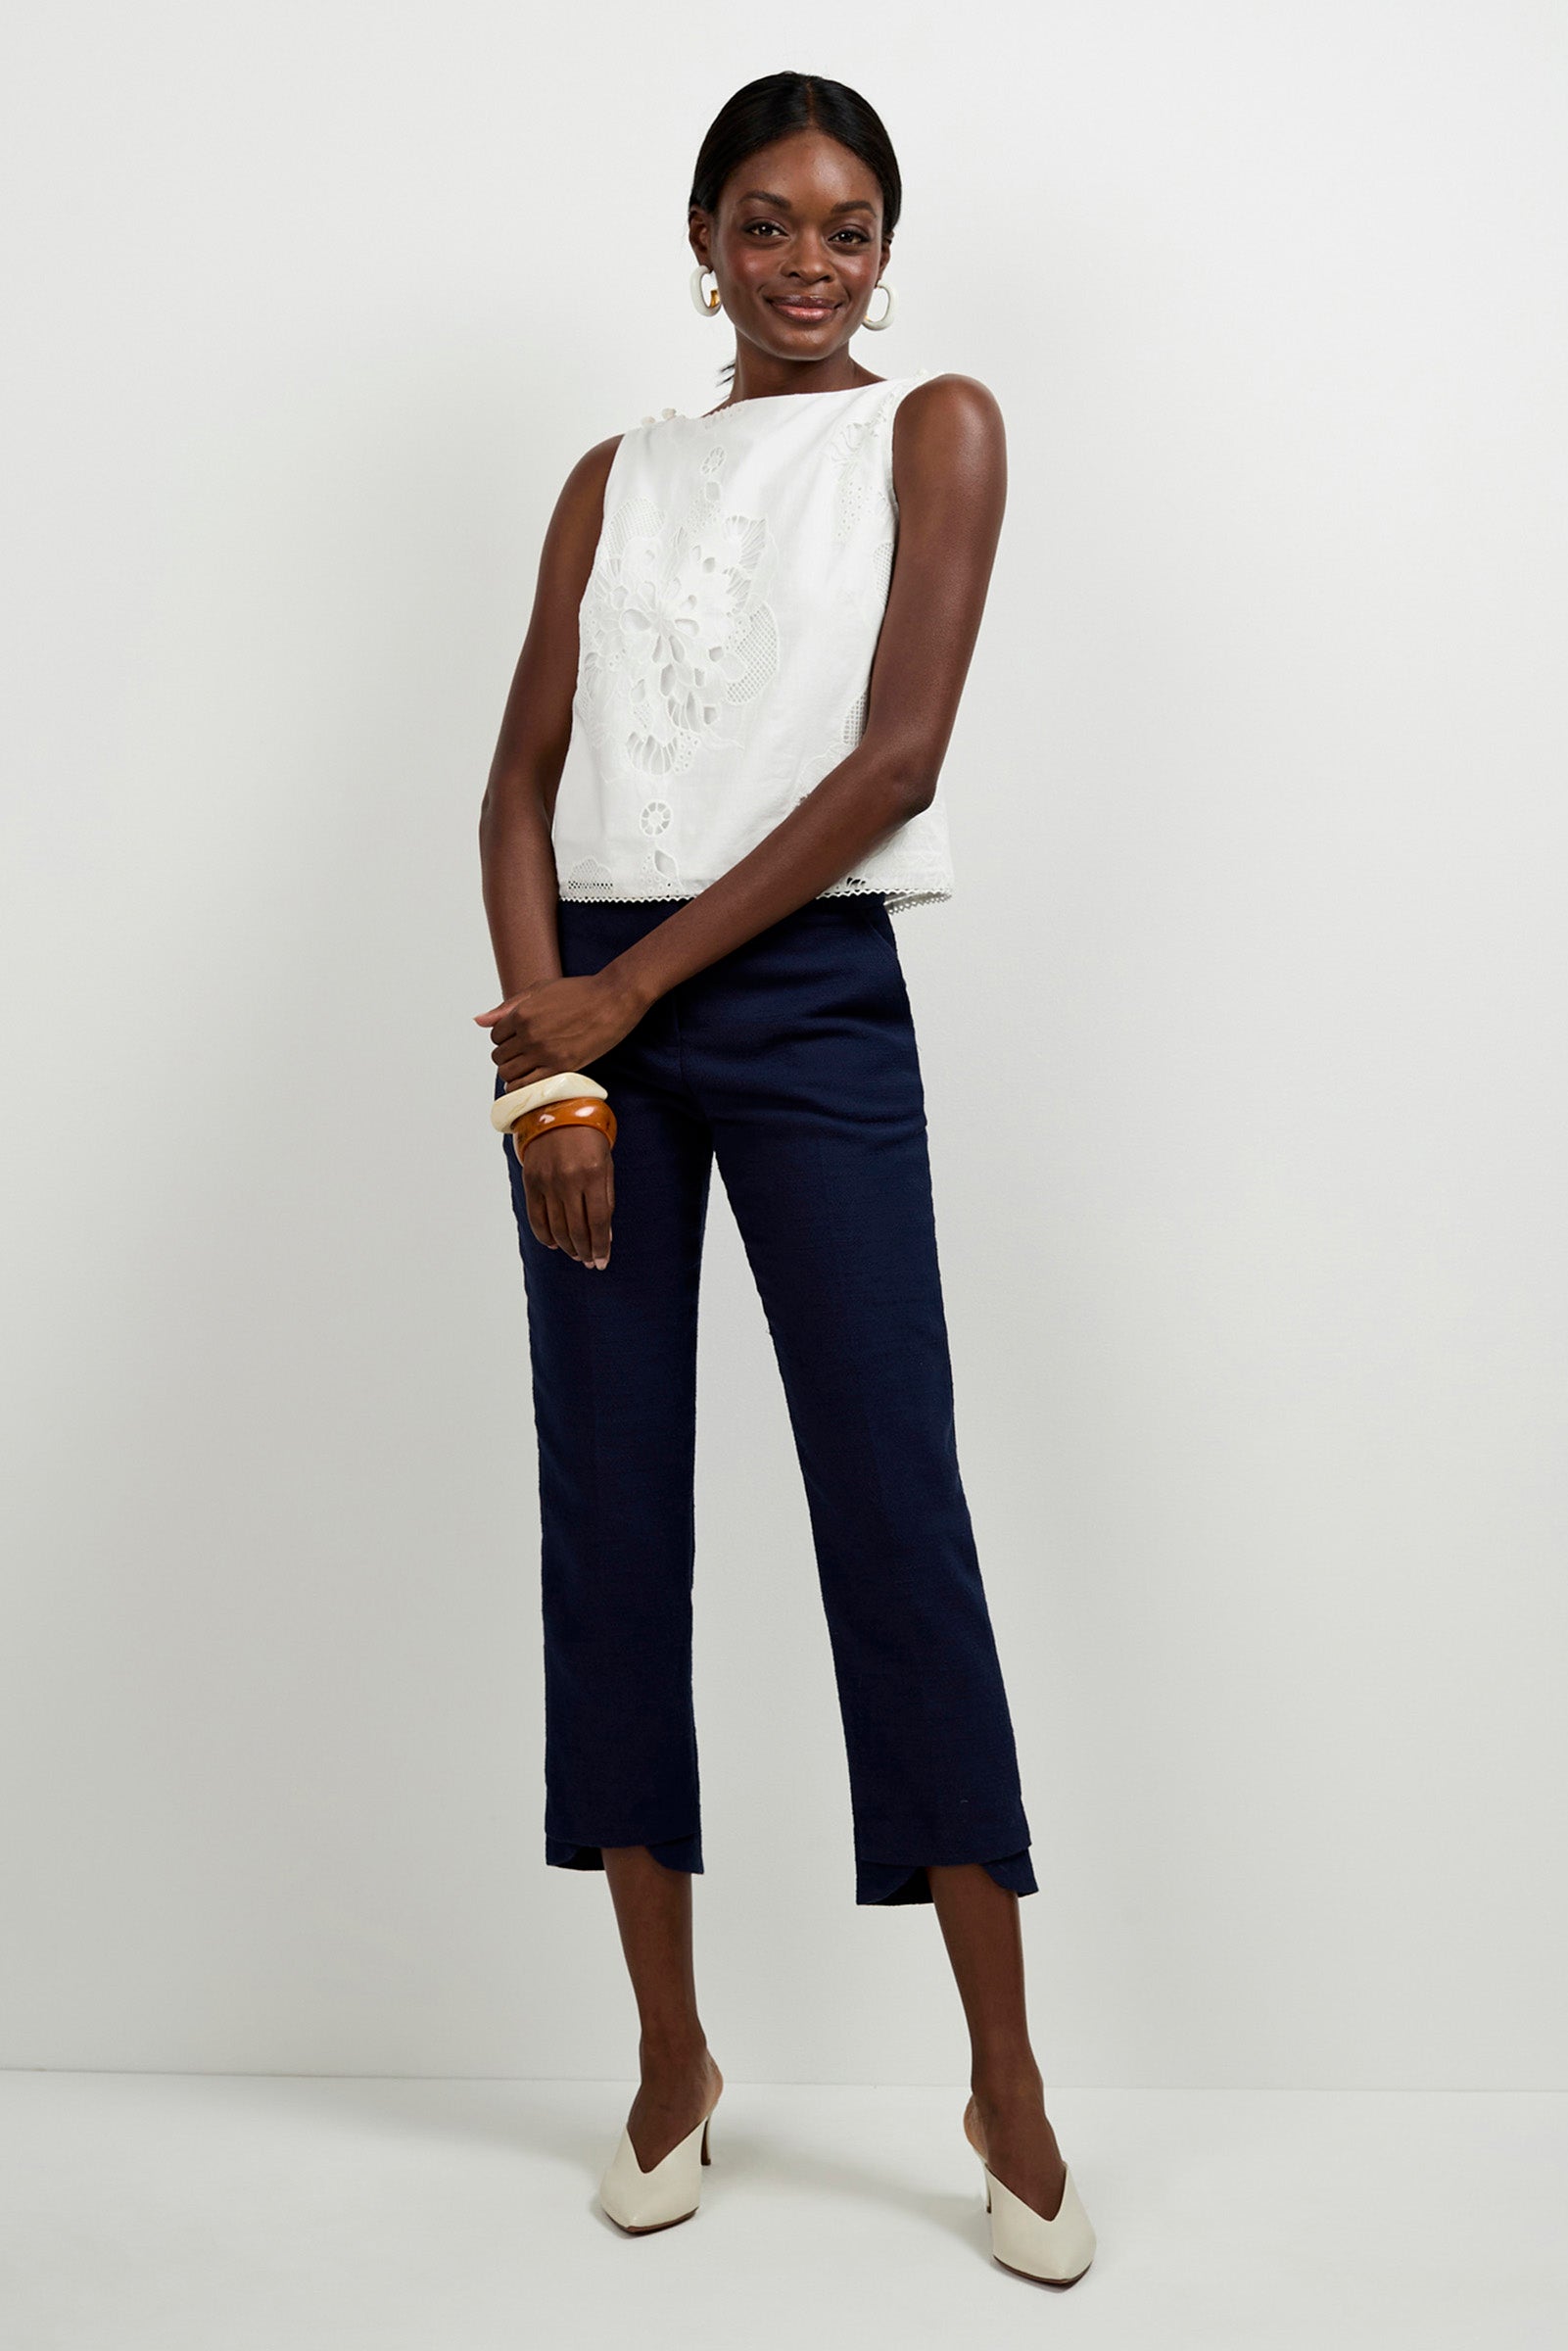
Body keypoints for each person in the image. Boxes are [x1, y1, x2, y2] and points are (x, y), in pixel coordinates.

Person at [474, 71, 1097, 2286]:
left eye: (844, 225)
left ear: (886, 247)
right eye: (765, 223)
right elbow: (517, 784)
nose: (807, 261)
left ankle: (1003, 2081)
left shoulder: (932, 429)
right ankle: (671, 2060)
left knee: (892, 1516)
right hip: (587, 1044)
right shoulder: (610, 477)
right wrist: (555, 1076)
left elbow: (899, 754)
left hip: (804, 1003)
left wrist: (628, 1003)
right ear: (706, 241)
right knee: (615, 1513)